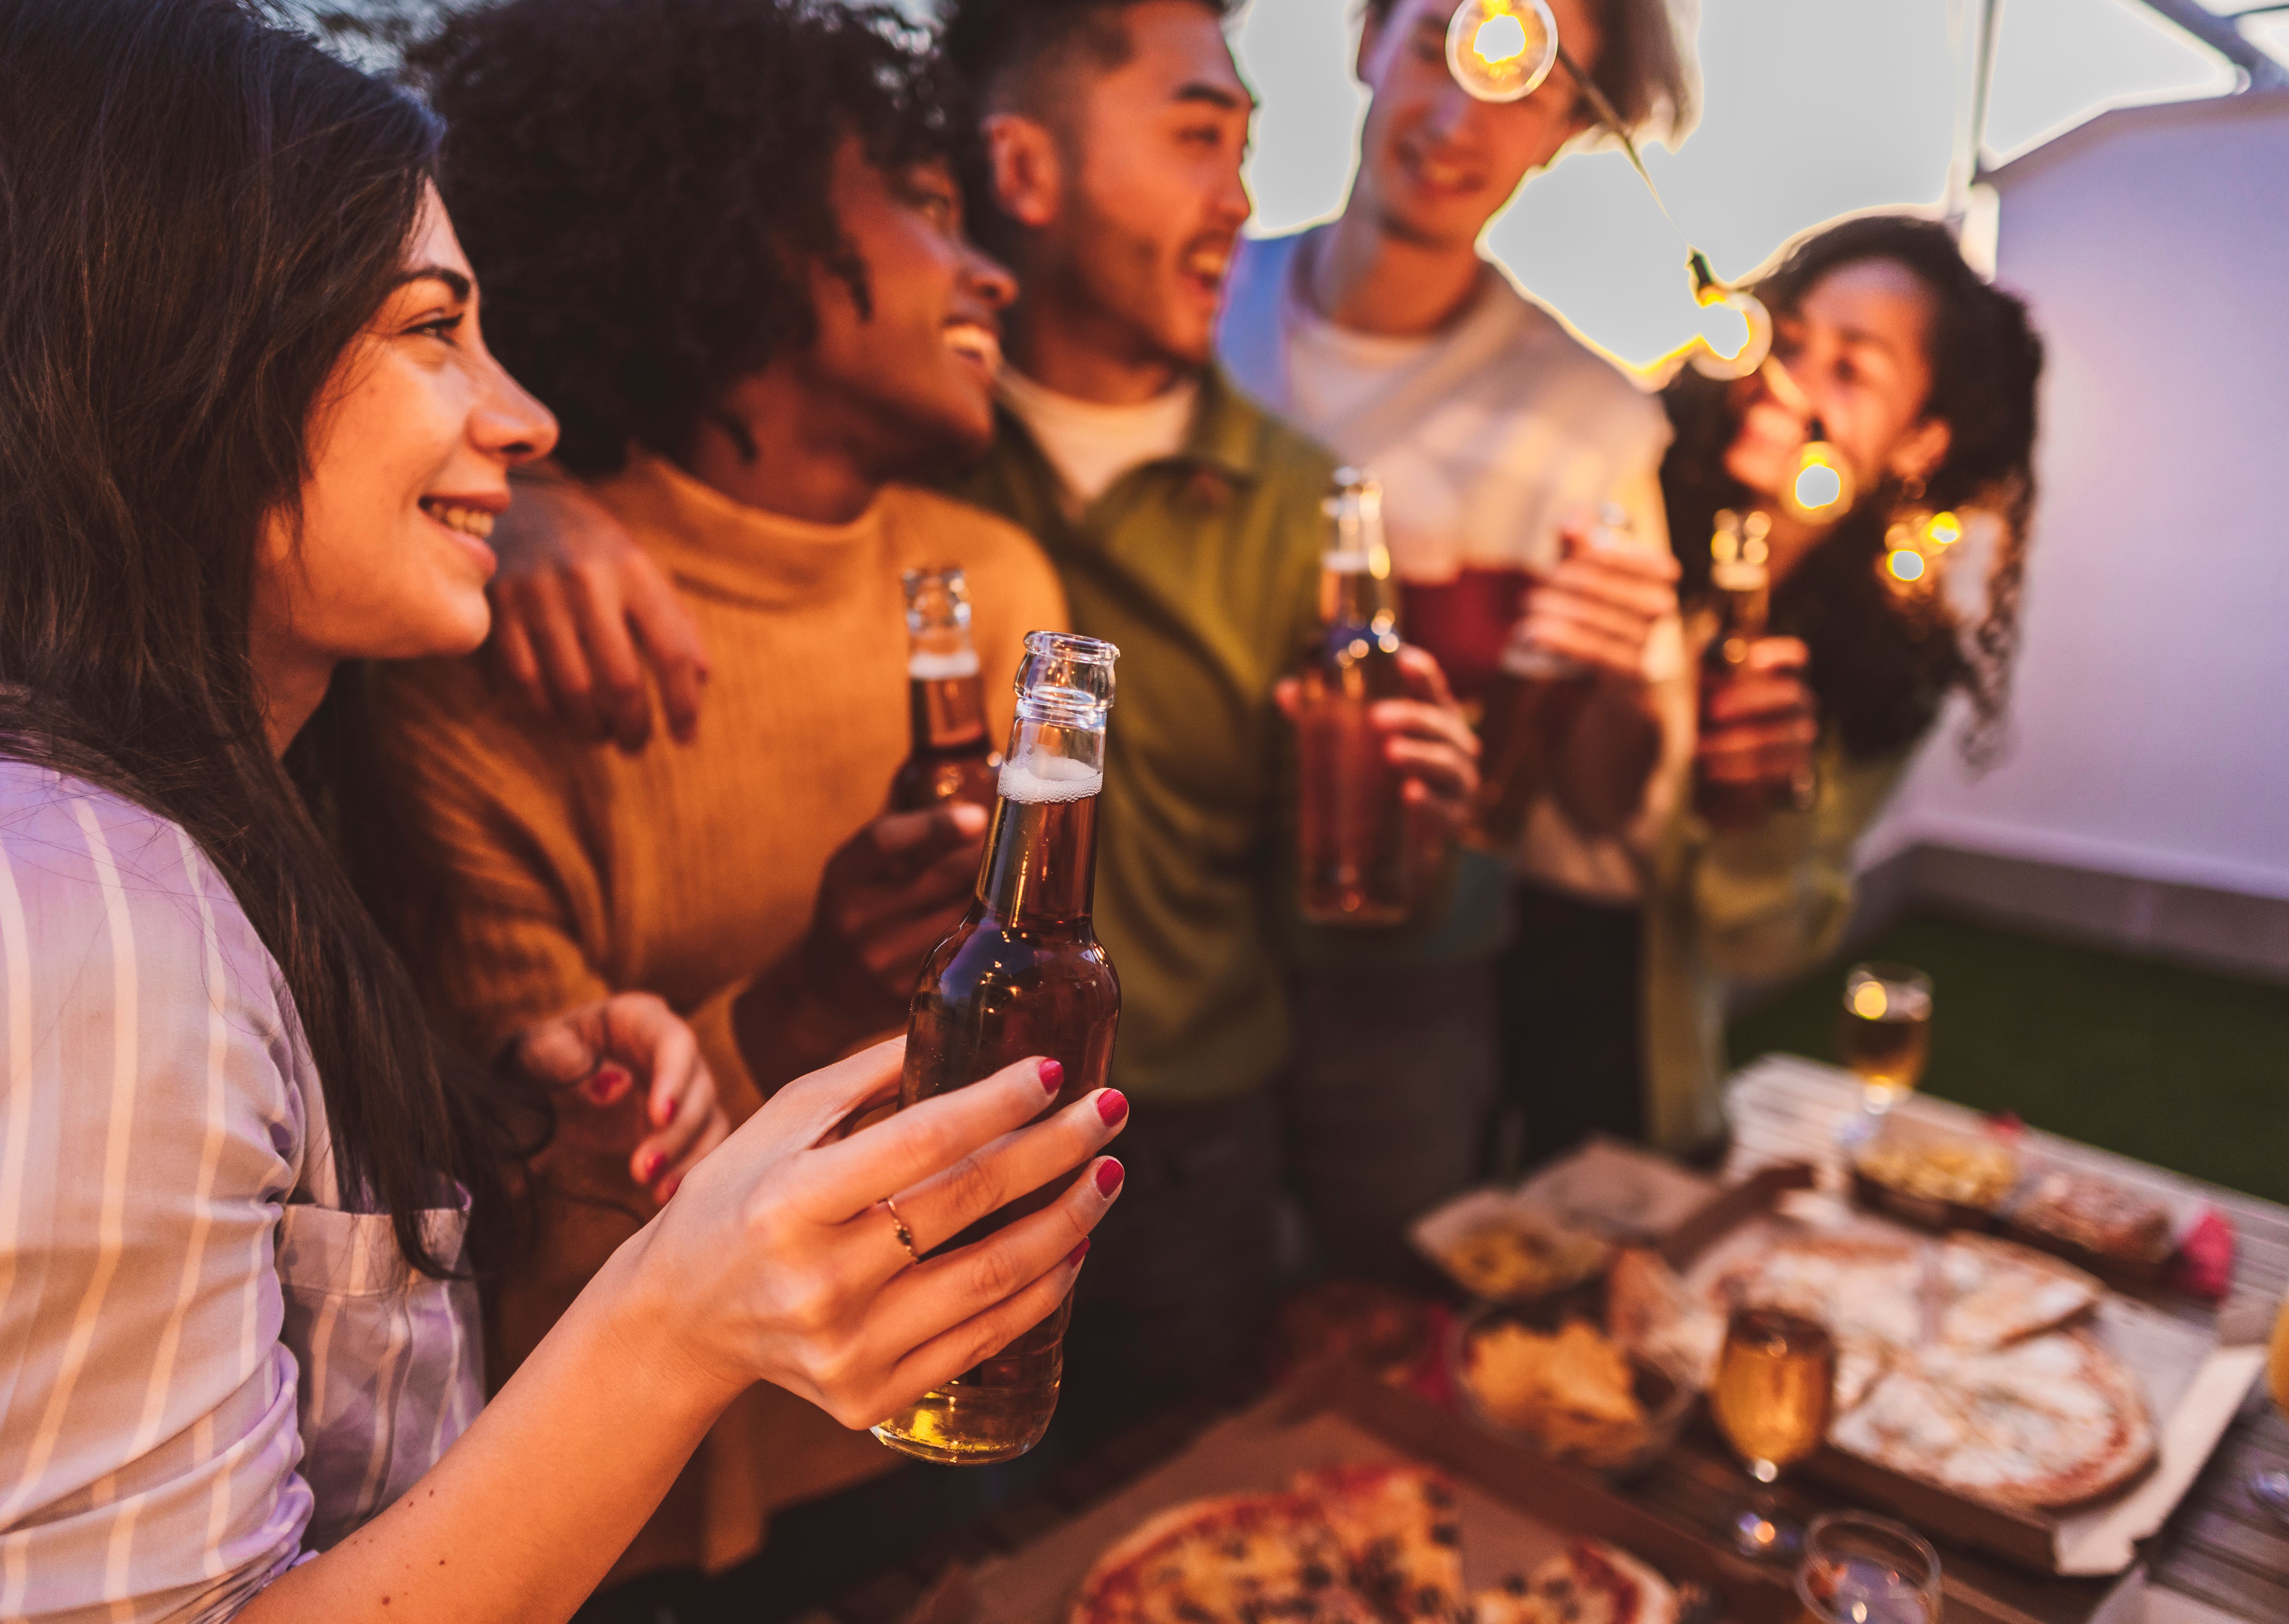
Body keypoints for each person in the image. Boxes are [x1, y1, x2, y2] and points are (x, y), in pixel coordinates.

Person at [0, 4, 1123, 1621]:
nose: (523, 425)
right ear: (194, 354)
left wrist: (523, 1135)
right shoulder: (97, 913)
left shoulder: (251, 817)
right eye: (432, 329)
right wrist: (681, 1312)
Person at [362, 0, 1070, 1609]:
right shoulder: (496, 642)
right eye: (928, 206)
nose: (995, 274)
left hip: (967, 1405)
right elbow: (532, 1213)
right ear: (743, 230)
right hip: (658, 1512)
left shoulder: (1005, 589)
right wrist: (816, 997)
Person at [931, 0, 1481, 1436]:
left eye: (1244, 147)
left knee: (1173, 1500)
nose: (1239, 198)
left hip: (1186, 1148)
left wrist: (1416, 821)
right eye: (1193, 136)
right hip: (926, 1125)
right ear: (1027, 170)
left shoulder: (1305, 503)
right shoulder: (905, 441)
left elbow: (1343, 888)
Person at [1215, 0, 1694, 1250]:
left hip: (1405, 990)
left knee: (1385, 1328)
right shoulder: (1200, 307)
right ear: (1366, 39)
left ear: (1564, 131)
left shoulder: (1588, 419)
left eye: (1528, 82)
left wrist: (1615, 679)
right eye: (1439, 41)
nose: (1458, 113)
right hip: (1172, 951)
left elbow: (1602, 806)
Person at [1639, 212, 2044, 1155]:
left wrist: (1765, 807)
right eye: (1790, 338)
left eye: (1851, 368)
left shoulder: (1883, 671)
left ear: (1921, 442)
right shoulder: (1626, 495)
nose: (1785, 383)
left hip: (1642, 1085)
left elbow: (1759, 947)